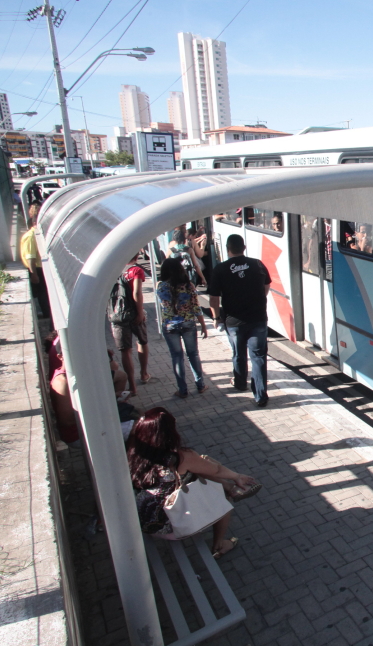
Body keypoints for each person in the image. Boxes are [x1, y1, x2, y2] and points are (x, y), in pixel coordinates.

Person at [127, 407, 260, 558]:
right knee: (222, 500)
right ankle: (219, 545)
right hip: (172, 527)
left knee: (195, 469)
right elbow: (216, 470)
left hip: (143, 520)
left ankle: (229, 487)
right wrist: (237, 476)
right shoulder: (181, 456)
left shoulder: (134, 451)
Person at [208, 234, 272, 406]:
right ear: (244, 248)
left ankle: (240, 383)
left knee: (238, 353)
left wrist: (216, 317)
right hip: (258, 318)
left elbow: (213, 298)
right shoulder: (257, 264)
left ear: (227, 249)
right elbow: (266, 285)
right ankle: (260, 396)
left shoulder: (220, 269)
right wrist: (259, 299)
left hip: (233, 321)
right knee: (258, 357)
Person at [157, 257, 209, 398]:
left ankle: (182, 390)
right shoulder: (188, 285)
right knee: (193, 354)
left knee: (177, 357)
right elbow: (196, 307)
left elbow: (163, 305)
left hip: (170, 325)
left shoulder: (161, 286)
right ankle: (200, 385)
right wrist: (203, 325)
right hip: (188, 323)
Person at [109, 255, 150, 396]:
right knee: (142, 342)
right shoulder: (135, 271)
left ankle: (132, 386)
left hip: (117, 316)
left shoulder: (112, 270)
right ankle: (144, 374)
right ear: (137, 256)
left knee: (125, 350)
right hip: (133, 314)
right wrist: (140, 313)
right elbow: (137, 293)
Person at [20, 202, 50, 319]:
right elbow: (30, 257)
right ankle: (47, 314)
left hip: (39, 268)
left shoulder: (35, 235)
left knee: (44, 293)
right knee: (42, 294)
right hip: (37, 269)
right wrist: (34, 274)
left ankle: (47, 313)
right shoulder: (31, 236)